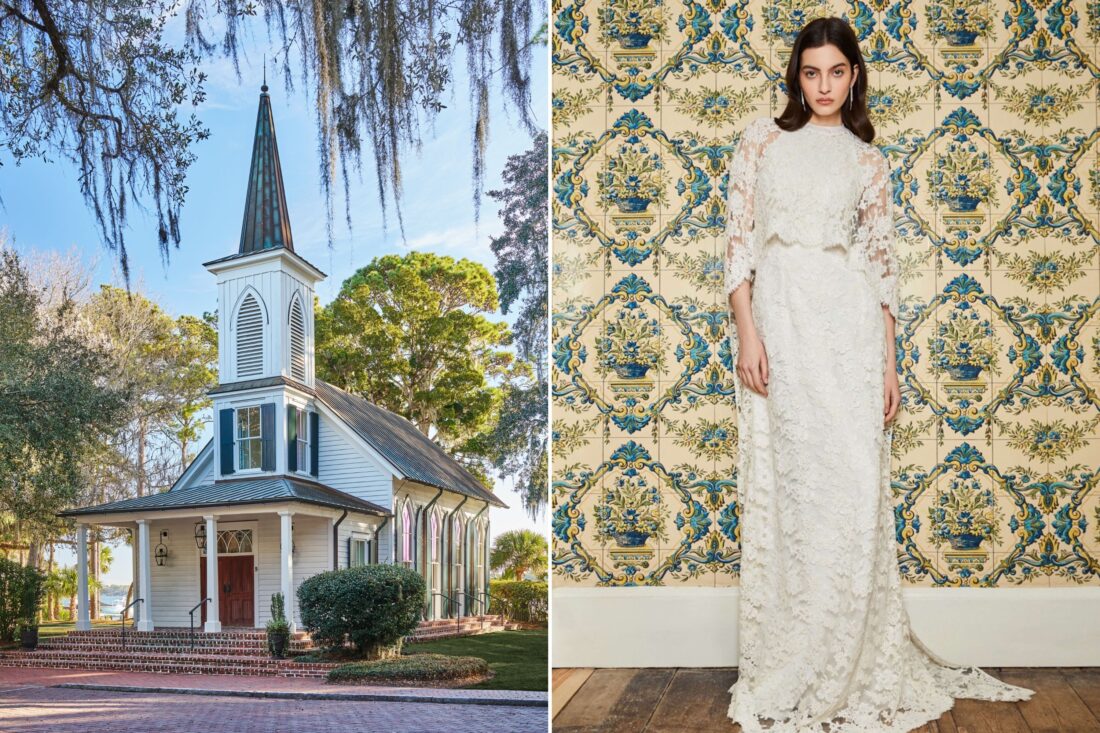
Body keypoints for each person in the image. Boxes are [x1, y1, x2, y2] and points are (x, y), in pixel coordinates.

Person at [723, 16, 1036, 732]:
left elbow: (881, 268)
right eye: (811, 73)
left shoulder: (869, 162)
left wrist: (890, 364)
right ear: (796, 77)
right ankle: (796, 655)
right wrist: (748, 332)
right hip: (783, 319)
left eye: (836, 72)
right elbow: (737, 245)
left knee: (855, 491)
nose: (824, 85)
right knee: (795, 495)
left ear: (854, 75)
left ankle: (853, 656)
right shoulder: (761, 141)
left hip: (851, 331)